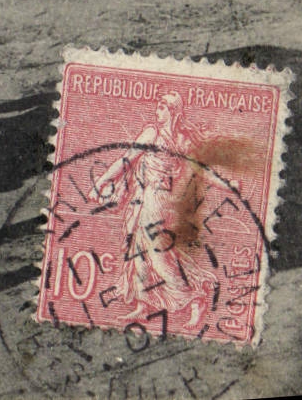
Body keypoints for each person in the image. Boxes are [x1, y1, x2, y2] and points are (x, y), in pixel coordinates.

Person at [89, 90, 216, 331]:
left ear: (173, 111)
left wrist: (227, 185)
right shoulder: (152, 133)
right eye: (158, 107)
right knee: (139, 253)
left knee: (158, 256)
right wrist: (103, 181)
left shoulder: (181, 140)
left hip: (161, 202)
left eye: (162, 108)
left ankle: (194, 298)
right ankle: (143, 305)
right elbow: (127, 159)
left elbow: (199, 169)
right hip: (145, 198)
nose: (157, 111)